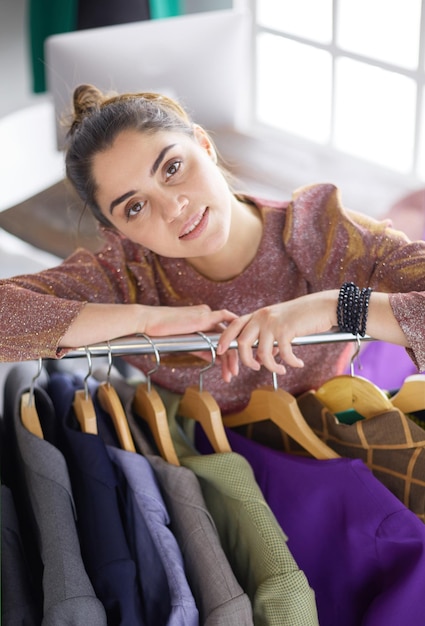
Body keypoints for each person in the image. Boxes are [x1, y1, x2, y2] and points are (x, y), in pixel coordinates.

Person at [1, 83, 424, 414]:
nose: (173, 208)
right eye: (134, 206)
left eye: (172, 167)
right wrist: (145, 319)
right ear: (116, 230)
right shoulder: (127, 276)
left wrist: (332, 306)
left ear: (203, 145)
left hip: (333, 440)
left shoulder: (324, 233)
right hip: (200, 471)